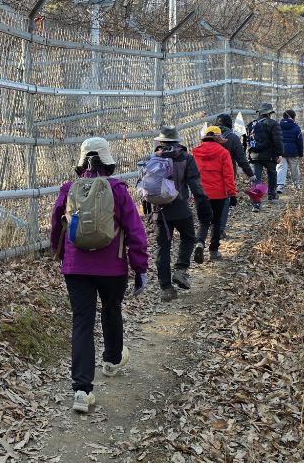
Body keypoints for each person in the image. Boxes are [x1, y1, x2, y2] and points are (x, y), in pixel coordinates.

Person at [50, 137, 148, 413]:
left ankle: (82, 391)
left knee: (82, 321)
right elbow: (135, 231)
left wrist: (61, 254)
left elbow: (56, 225)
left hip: (76, 267)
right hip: (112, 266)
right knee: (111, 308)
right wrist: (140, 267)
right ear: (107, 160)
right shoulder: (117, 189)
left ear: (82, 162)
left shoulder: (69, 189)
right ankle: (112, 360)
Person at [146, 127, 212, 302]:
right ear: (177, 141)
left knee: (162, 248)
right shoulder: (186, 158)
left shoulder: (154, 158)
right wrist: (203, 205)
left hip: (160, 211)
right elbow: (196, 186)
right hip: (181, 208)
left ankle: (166, 289)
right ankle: (181, 270)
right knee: (189, 237)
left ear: (161, 141)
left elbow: (147, 185)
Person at [192, 126, 236, 263]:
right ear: (218, 138)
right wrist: (232, 193)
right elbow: (228, 175)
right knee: (216, 222)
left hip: (200, 193)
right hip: (218, 193)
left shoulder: (195, 152)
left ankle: (200, 243)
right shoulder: (223, 152)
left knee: (203, 221)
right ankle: (213, 251)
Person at [215, 114, 254, 238]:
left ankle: (209, 227)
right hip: (226, 174)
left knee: (211, 201)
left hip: (207, 175)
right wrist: (250, 174)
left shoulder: (208, 136)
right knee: (224, 201)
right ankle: (219, 229)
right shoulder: (232, 138)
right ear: (229, 124)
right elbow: (241, 159)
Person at [246, 103, 283, 211]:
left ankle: (256, 203)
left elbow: (246, 140)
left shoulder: (251, 124)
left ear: (260, 113)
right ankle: (272, 194)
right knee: (272, 173)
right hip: (269, 155)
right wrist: (280, 153)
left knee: (256, 179)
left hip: (254, 155)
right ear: (269, 113)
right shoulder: (273, 124)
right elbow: (278, 140)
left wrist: (248, 153)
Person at [276, 109, 303, 192]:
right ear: (293, 117)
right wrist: (300, 153)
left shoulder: (278, 126)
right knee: (294, 168)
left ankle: (280, 185)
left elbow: (276, 139)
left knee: (281, 168)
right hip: (293, 152)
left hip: (281, 151)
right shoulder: (296, 127)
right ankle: (296, 184)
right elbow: (300, 141)